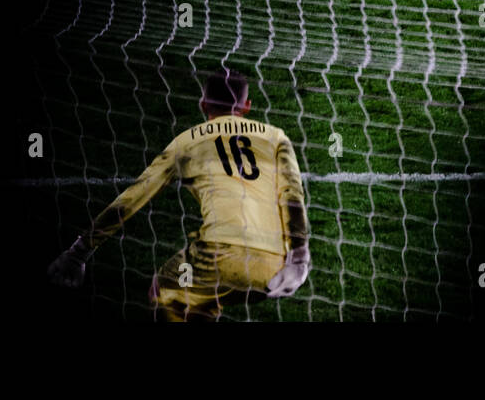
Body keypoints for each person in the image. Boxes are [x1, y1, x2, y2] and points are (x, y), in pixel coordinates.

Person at [47, 70, 311, 320]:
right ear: (247, 106)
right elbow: (292, 195)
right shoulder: (276, 136)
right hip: (274, 269)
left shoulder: (186, 142)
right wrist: (299, 256)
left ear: (202, 104)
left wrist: (79, 252)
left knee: (163, 290)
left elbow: (133, 198)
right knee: (202, 303)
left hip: (217, 259)